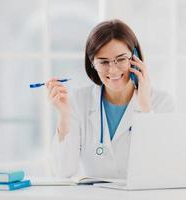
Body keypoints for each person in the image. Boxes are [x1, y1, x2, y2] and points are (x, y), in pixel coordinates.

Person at [46, 19, 175, 179]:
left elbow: (161, 168)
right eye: (103, 62)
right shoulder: (79, 101)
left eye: (121, 59)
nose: (112, 69)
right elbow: (63, 171)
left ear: (135, 58)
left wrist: (146, 109)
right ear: (92, 63)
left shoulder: (161, 102)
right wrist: (64, 117)